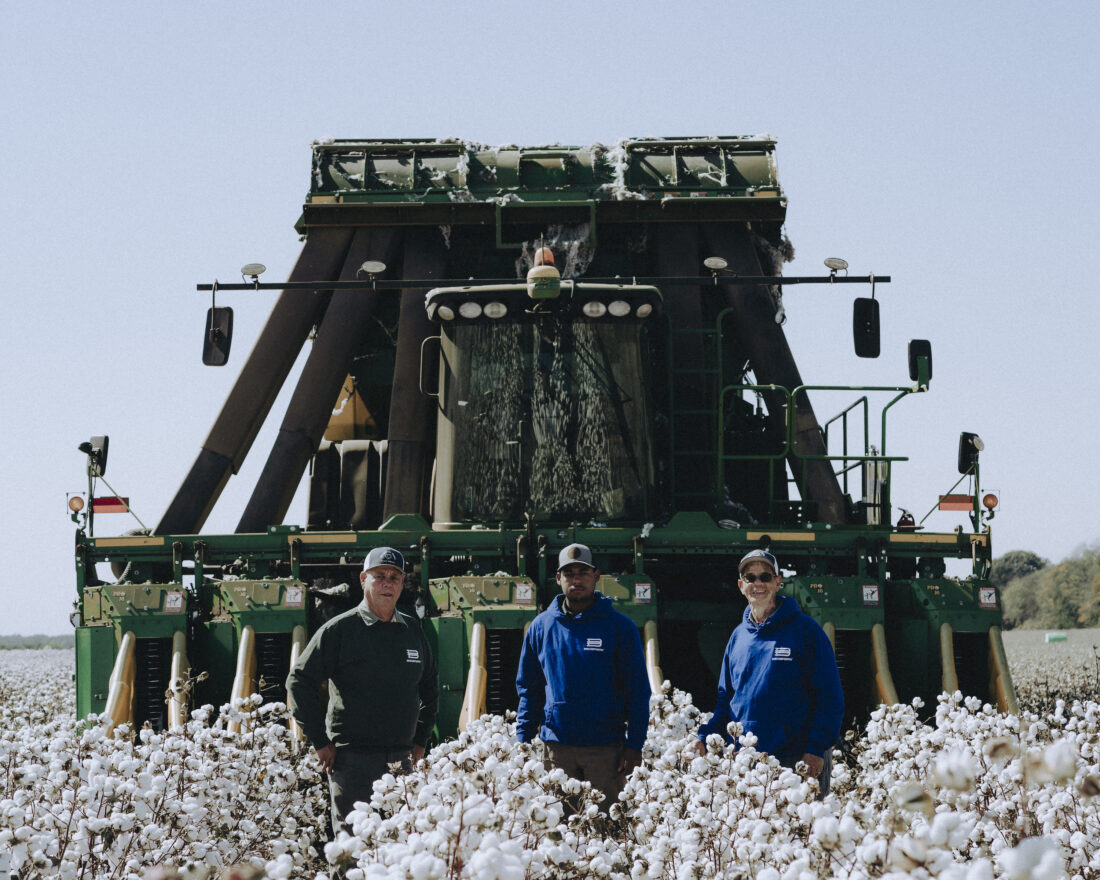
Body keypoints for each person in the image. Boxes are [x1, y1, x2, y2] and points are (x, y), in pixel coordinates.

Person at [287, 547, 438, 834]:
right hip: (352, 762)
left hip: (401, 763)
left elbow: (430, 686)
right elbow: (299, 681)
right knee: (353, 850)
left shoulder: (413, 632)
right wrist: (320, 742)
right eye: (379, 575)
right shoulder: (340, 631)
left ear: (402, 584)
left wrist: (421, 739)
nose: (387, 583)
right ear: (362, 580)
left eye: (395, 577)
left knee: (401, 848)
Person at [694, 549, 843, 797]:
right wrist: (705, 736)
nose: (758, 583)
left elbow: (830, 697)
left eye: (765, 576)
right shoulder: (737, 638)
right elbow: (726, 701)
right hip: (746, 764)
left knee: (800, 834)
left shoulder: (806, 631)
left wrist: (816, 749)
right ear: (741, 586)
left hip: (796, 761)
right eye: (750, 578)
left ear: (778, 581)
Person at [516, 543, 651, 806]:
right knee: (558, 832)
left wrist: (634, 745)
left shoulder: (619, 628)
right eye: (569, 574)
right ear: (558, 579)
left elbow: (637, 690)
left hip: (605, 752)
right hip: (556, 751)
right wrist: (522, 739)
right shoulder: (541, 627)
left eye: (583, 572)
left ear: (596, 576)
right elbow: (529, 688)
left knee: (607, 832)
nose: (576, 579)